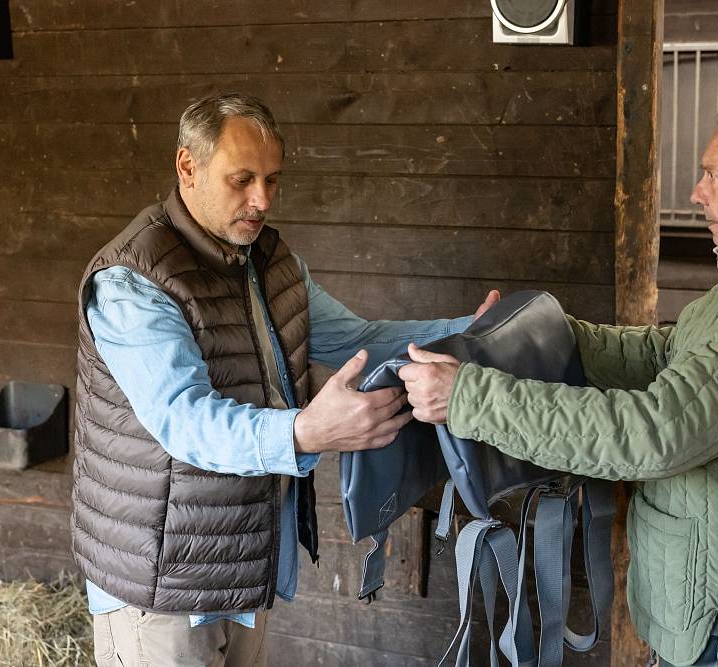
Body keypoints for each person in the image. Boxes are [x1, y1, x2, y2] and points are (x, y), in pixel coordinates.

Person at [399, 96, 718, 667]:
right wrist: (536, 337)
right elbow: (668, 353)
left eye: (712, 176)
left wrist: (468, 398)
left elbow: (657, 433)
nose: (698, 192)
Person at [71, 92, 498, 667]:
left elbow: (353, 337)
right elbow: (185, 421)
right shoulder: (132, 281)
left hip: (242, 558)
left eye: (273, 180)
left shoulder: (264, 258)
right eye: (242, 179)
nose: (261, 199)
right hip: (160, 583)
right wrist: (305, 432)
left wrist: (467, 333)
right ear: (186, 166)